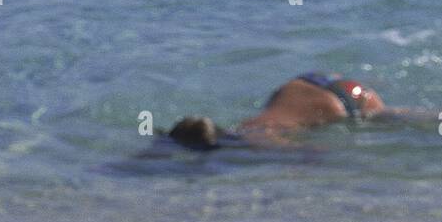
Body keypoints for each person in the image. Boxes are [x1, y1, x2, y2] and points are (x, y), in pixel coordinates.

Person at [166, 71, 405, 150]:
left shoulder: (255, 140)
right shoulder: (245, 126)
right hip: (309, 81)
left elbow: (312, 155)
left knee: (409, 120)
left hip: (342, 103)